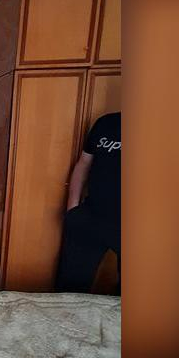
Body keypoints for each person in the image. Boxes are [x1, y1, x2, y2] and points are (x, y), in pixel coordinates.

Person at [55, 112, 121, 291]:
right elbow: (84, 163)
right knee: (69, 289)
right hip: (91, 217)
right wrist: (72, 207)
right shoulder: (106, 123)